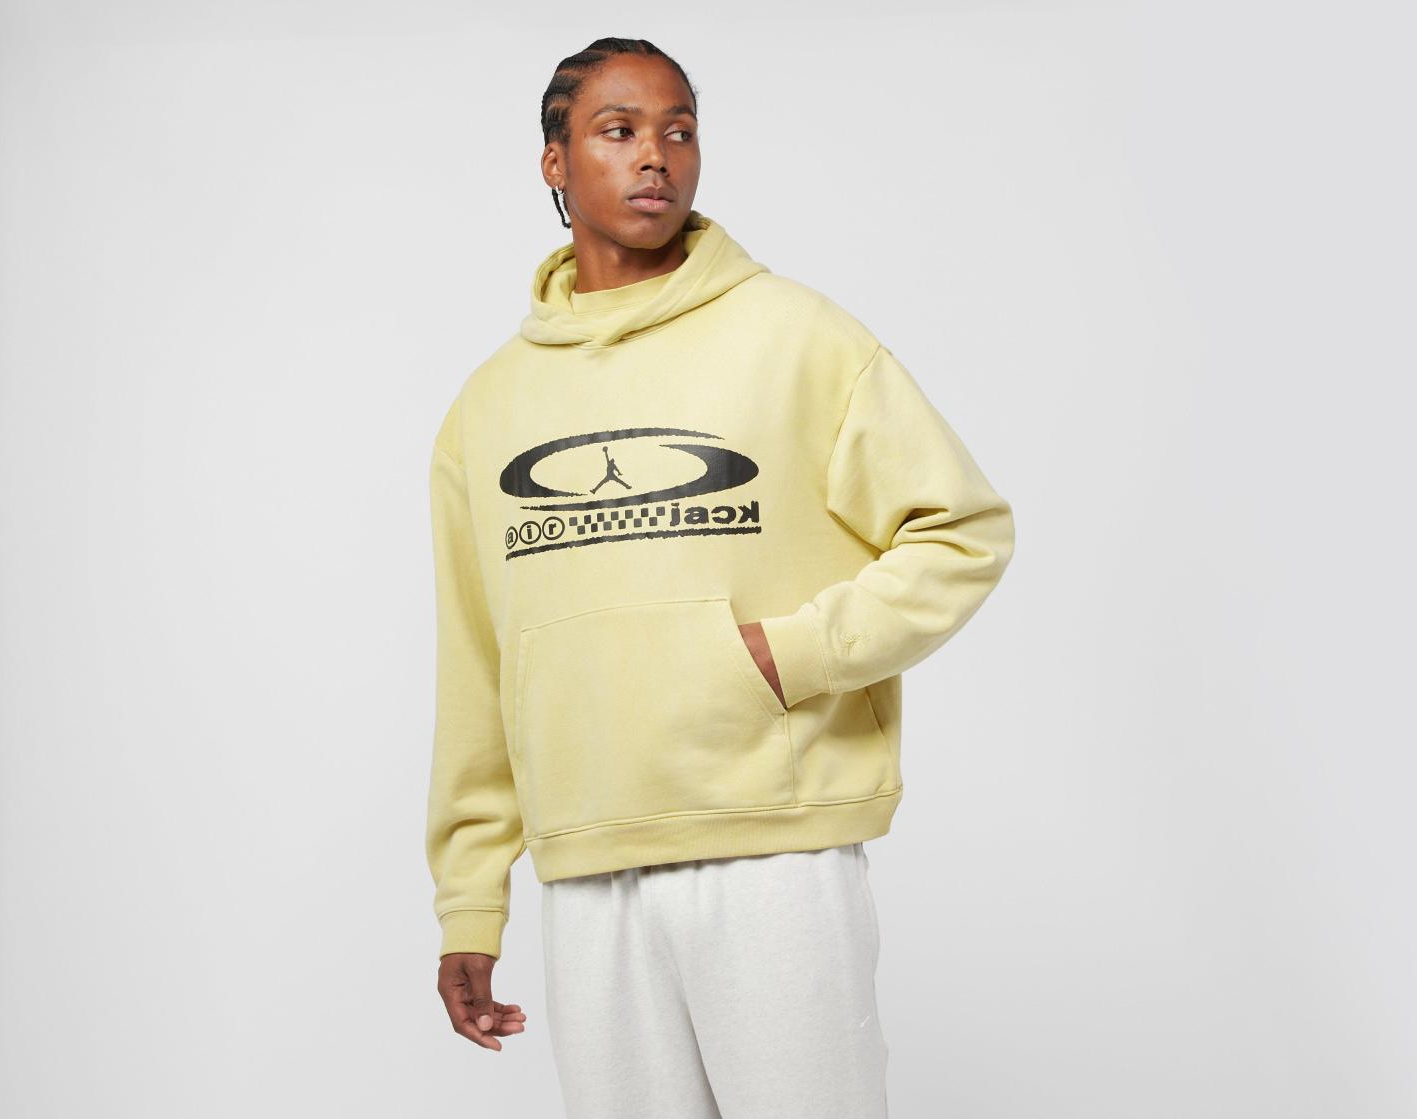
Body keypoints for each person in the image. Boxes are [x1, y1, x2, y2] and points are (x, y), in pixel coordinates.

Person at [425, 36, 1016, 1119]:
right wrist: (470, 900)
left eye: (679, 130)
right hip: (587, 860)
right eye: (618, 131)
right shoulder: (488, 406)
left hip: (769, 845)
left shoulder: (798, 336)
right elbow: (476, 659)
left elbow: (961, 530)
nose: (655, 155)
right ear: (554, 162)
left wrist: (792, 654)